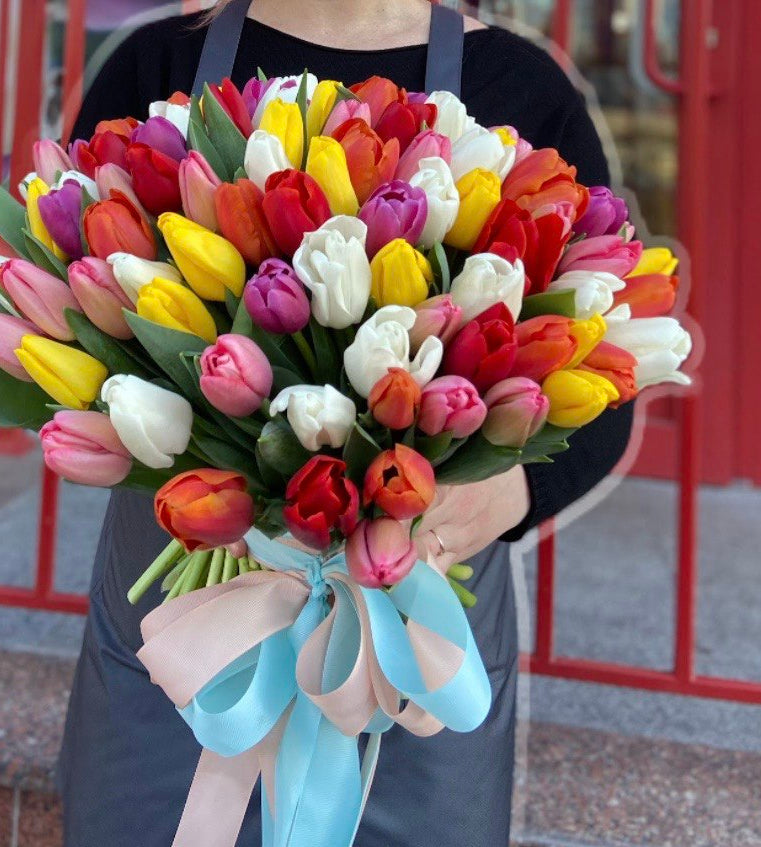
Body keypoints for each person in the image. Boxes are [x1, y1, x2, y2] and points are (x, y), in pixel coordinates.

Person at [57, 1, 635, 845]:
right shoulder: (153, 66)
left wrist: (507, 490)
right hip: (182, 632)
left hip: (414, 628)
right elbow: (72, 315)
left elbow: (603, 365)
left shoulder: (520, 88)